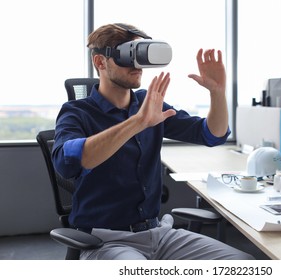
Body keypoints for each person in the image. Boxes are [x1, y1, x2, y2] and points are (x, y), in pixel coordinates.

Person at [52, 23, 254, 260]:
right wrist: (137, 122)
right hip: (105, 240)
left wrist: (217, 92)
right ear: (100, 62)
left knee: (242, 263)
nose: (138, 65)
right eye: (129, 54)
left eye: (142, 55)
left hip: (158, 234)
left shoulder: (148, 103)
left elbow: (212, 134)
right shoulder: (76, 112)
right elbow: (67, 162)